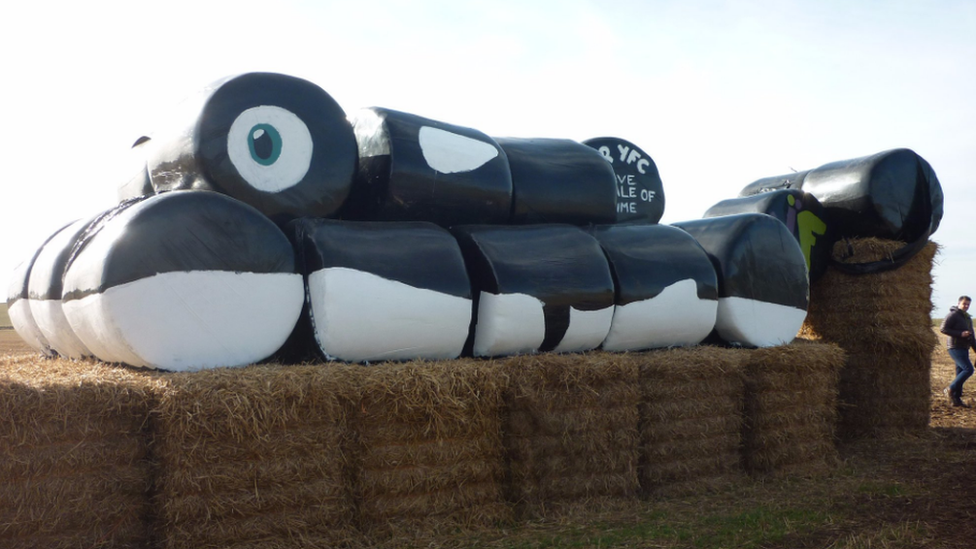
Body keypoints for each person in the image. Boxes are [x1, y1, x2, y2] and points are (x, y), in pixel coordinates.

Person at [940, 295, 976, 407]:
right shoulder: (953, 315)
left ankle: (956, 400)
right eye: (964, 304)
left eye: (968, 304)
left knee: (960, 373)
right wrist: (960, 334)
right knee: (968, 369)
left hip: (964, 348)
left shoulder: (967, 318)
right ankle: (950, 389)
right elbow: (943, 328)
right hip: (954, 347)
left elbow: (972, 336)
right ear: (959, 303)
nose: (966, 306)